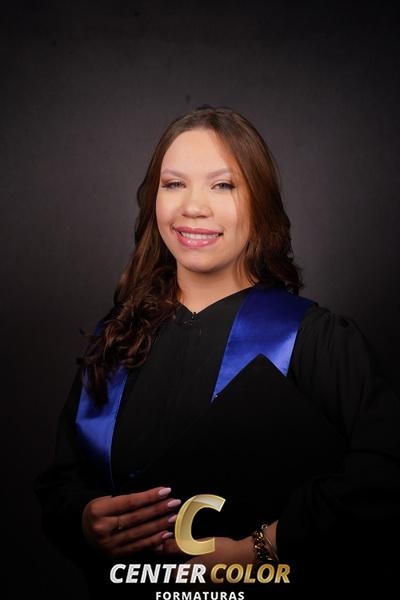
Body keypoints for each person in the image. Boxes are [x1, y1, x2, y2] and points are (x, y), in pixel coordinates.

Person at [35, 105, 400, 598]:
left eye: (223, 185)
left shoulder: (312, 339)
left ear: (260, 203)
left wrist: (262, 548)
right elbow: (61, 479)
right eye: (174, 184)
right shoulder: (117, 338)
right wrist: (84, 520)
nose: (193, 206)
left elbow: (383, 472)